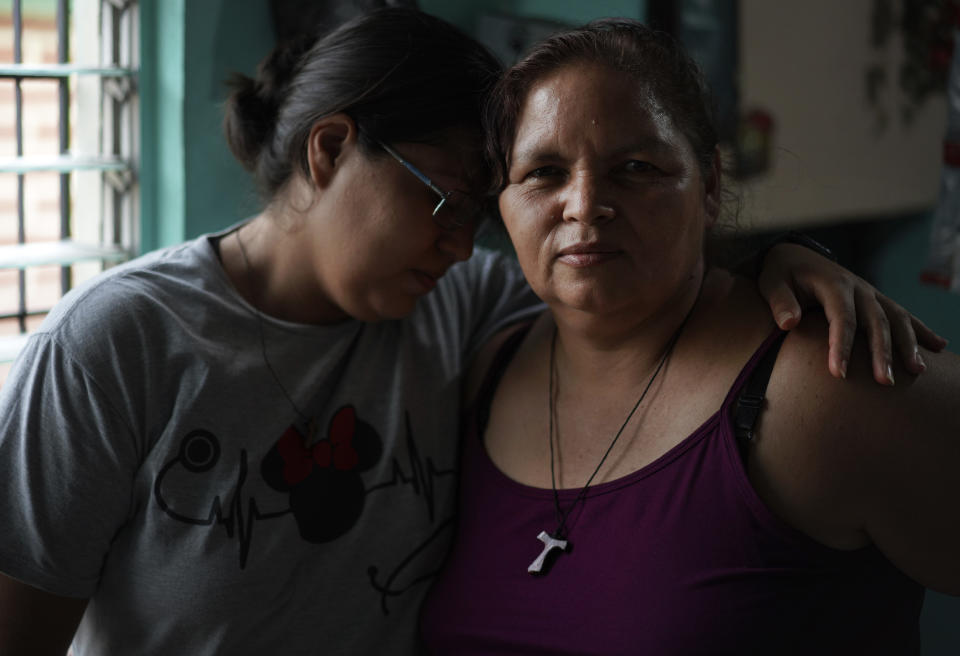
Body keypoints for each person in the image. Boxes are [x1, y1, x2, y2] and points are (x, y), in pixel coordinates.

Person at [0, 8, 944, 656]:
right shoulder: (117, 344)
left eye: (473, 215)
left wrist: (789, 263)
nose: (459, 244)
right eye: (446, 201)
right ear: (329, 151)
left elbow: (624, 287)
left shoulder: (456, 311)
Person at [420, 18, 960, 654]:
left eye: (637, 167)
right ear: (502, 201)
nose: (586, 203)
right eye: (543, 172)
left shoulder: (829, 381)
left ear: (708, 187)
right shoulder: (485, 370)